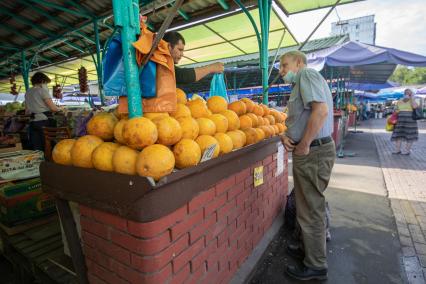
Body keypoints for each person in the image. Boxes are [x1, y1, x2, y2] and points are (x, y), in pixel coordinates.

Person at [279, 50, 336, 281]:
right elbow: (300, 118)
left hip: (313, 151)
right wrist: (287, 134)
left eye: (284, 65)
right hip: (311, 151)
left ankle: (316, 266)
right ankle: (307, 249)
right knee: (305, 205)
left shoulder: (307, 75)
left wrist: (304, 144)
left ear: (299, 63)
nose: (281, 71)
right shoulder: (301, 83)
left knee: (311, 208)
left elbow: (320, 111)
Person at [25, 72, 60, 151]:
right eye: (46, 83)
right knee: (48, 145)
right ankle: (48, 162)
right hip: (43, 121)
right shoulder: (42, 91)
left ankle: (39, 162)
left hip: (32, 122)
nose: (46, 85)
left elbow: (26, 111)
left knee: (37, 147)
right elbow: (53, 108)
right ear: (42, 81)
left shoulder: (27, 92)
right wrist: (60, 109)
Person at [391, 88, 419, 155]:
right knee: (399, 134)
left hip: (408, 119)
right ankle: (399, 150)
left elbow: (414, 107)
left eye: (408, 93)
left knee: (408, 134)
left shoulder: (413, 100)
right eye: (406, 93)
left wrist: (412, 98)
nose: (407, 94)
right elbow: (396, 109)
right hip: (402, 119)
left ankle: (406, 150)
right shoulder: (400, 100)